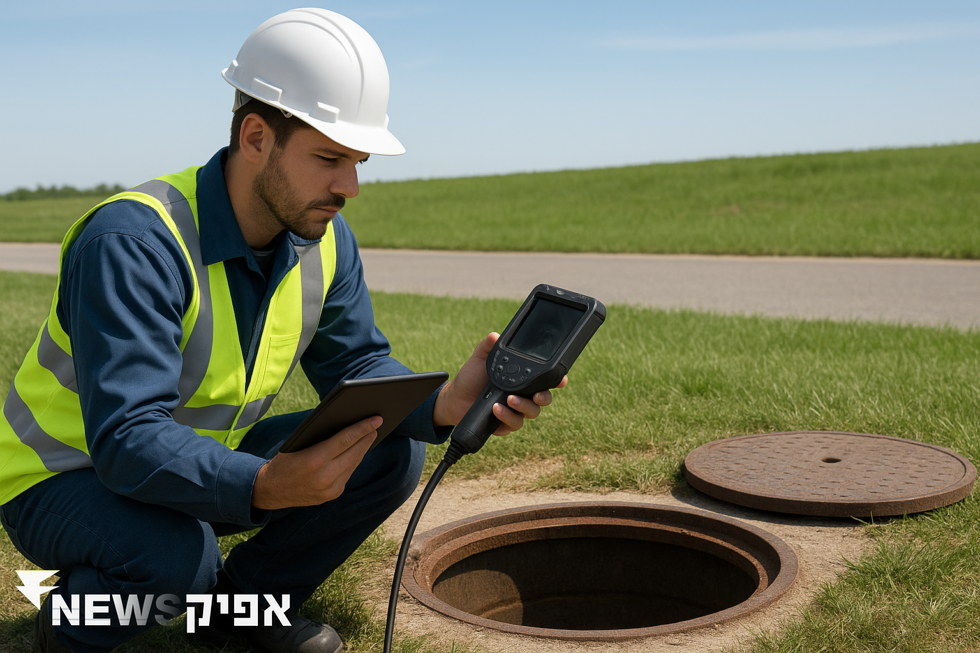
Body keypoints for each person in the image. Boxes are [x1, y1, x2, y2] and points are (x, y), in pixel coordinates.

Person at [0, 9, 564, 653]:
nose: (349, 186)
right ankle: (74, 619)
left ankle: (231, 613)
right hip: (65, 476)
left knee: (387, 446)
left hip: (197, 452)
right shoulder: (133, 242)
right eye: (329, 158)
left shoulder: (320, 236)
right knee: (178, 558)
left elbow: (356, 367)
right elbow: (126, 439)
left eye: (358, 161)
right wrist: (262, 486)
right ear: (256, 136)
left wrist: (441, 404)